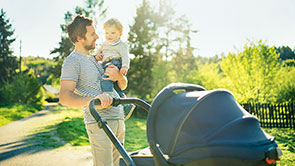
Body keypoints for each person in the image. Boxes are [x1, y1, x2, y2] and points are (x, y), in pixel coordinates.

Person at [59, 15, 127, 166]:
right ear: (79, 38)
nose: (97, 36)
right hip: (99, 123)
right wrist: (93, 100)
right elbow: (64, 97)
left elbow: (122, 85)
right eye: (92, 34)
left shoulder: (99, 59)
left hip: (118, 119)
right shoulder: (72, 61)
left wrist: (118, 77)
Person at [94, 18, 130, 98]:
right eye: (107, 33)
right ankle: (125, 103)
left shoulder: (121, 44)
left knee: (106, 78)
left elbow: (125, 56)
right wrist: (97, 55)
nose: (109, 35)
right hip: (104, 63)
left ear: (120, 34)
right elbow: (98, 51)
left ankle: (108, 95)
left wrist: (124, 66)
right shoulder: (105, 44)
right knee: (115, 85)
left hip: (114, 63)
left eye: (113, 33)